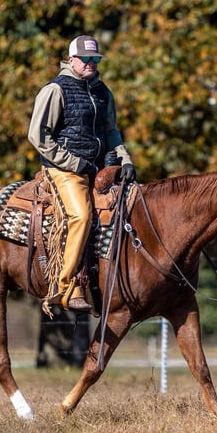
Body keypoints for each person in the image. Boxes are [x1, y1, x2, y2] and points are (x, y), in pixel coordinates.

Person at [28, 34, 136, 313]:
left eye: (95, 59)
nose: (91, 64)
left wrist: (124, 159)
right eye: (86, 59)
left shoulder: (102, 91)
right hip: (64, 170)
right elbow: (39, 137)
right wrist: (75, 163)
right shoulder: (55, 90)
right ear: (71, 59)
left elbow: (111, 131)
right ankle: (65, 288)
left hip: (100, 168)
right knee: (82, 215)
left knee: (134, 208)